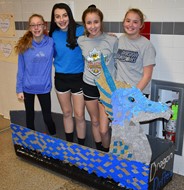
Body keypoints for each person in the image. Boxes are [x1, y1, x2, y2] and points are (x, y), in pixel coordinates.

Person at [77, 5, 118, 152]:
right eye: (89, 23)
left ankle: (107, 154)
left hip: (106, 88)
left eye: (96, 22)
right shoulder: (81, 40)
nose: (93, 26)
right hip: (89, 86)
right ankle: (99, 154)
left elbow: (119, 64)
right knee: (94, 122)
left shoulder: (112, 40)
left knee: (103, 129)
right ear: (84, 24)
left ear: (101, 22)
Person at [49, 3, 86, 145]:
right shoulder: (53, 34)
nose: (62, 19)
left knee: (79, 115)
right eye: (57, 16)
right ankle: (70, 145)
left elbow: (95, 37)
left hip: (78, 78)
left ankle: (81, 146)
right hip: (61, 78)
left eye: (65, 15)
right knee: (66, 113)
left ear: (69, 15)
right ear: (54, 19)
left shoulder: (81, 30)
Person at [15, 14, 56, 135]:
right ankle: (31, 141)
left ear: (44, 26)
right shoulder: (24, 45)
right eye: (33, 25)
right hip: (28, 88)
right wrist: (19, 89)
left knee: (47, 118)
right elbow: (21, 69)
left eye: (39, 24)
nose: (36, 28)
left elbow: (63, 54)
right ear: (29, 28)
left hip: (44, 87)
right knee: (29, 117)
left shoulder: (51, 43)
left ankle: (53, 137)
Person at [116, 8, 156, 97]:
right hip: (120, 91)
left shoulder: (146, 45)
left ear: (141, 25)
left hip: (137, 93)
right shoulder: (120, 40)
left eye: (135, 22)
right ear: (124, 22)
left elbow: (147, 76)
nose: (130, 25)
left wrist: (132, 95)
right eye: (128, 21)